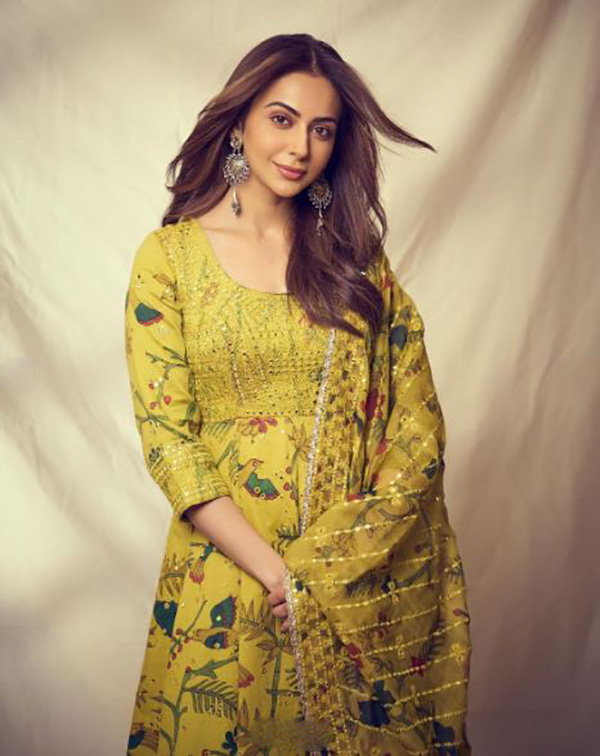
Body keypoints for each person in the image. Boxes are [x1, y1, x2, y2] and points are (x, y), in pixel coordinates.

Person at [124, 32, 472, 756]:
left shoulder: (355, 265)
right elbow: (169, 443)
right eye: (281, 119)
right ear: (239, 122)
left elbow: (416, 429)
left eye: (322, 129)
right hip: (227, 581)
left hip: (348, 582)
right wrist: (280, 574)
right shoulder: (170, 259)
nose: (300, 147)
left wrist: (328, 570)